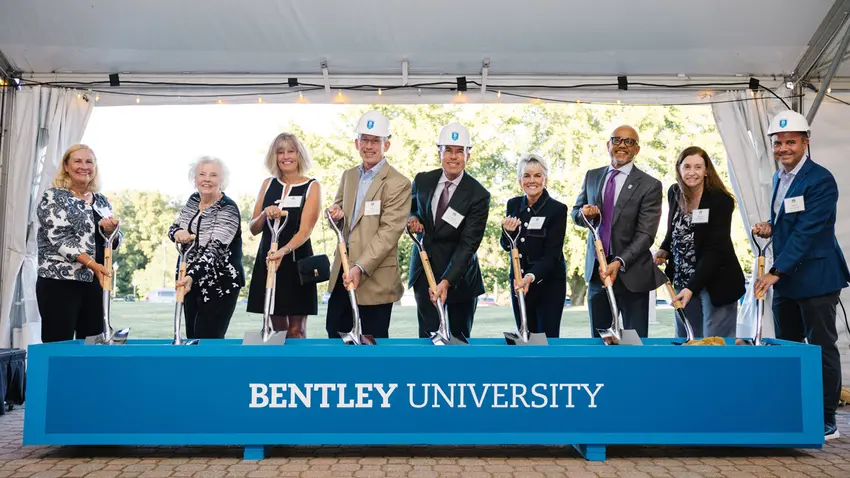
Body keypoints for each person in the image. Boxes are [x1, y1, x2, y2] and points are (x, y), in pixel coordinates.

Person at [752, 110, 850, 441]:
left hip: (817, 278)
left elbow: (809, 231)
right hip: (788, 279)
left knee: (821, 348)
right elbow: (789, 222)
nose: (783, 148)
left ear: (806, 142)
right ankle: (795, 410)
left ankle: (826, 419)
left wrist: (776, 271)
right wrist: (770, 227)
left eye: (790, 142)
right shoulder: (780, 178)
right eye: (778, 143)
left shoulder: (820, 179)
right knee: (788, 347)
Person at [571, 125, 666, 338]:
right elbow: (576, 214)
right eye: (617, 140)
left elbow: (646, 234)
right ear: (608, 145)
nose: (622, 145)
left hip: (632, 275)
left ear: (637, 149)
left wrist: (619, 262)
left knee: (635, 343)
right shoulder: (592, 176)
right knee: (599, 341)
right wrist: (585, 214)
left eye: (629, 142)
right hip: (598, 273)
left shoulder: (650, 185)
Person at [326, 110, 412, 339]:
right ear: (356, 143)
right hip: (342, 277)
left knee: (371, 348)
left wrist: (359, 267)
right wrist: (334, 214)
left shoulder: (399, 183)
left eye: (376, 141)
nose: (369, 146)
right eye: (365, 139)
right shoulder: (348, 176)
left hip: (374, 283)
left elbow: (389, 233)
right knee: (335, 339)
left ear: (387, 145)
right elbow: (338, 212)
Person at [408, 123, 491, 339]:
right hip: (424, 275)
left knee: (457, 343)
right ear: (439, 153)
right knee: (428, 342)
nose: (453, 157)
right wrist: (413, 219)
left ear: (468, 156)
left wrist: (446, 281)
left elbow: (468, 245)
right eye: (448, 150)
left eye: (459, 151)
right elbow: (411, 209)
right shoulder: (422, 180)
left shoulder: (478, 194)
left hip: (459, 280)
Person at [654, 146, 746, 338]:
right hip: (682, 278)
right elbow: (674, 229)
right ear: (679, 168)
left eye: (698, 167)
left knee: (715, 344)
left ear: (706, 171)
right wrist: (664, 249)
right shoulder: (674, 192)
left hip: (717, 281)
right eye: (687, 166)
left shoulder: (721, 200)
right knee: (688, 340)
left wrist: (691, 287)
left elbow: (715, 248)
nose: (692, 172)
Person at [36, 144, 121, 343]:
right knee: (59, 345)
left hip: (94, 284)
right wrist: (93, 265)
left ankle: (88, 376)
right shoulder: (53, 197)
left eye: (89, 161)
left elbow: (114, 239)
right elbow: (59, 238)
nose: (84, 166)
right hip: (59, 283)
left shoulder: (102, 201)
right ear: (66, 166)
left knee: (92, 343)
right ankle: (58, 376)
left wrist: (112, 232)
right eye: (78, 161)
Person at [246, 133, 322, 338]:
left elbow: (306, 230)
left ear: (299, 155)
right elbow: (253, 228)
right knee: (278, 330)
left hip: (297, 260)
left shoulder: (312, 186)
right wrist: (264, 213)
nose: (286, 156)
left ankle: (300, 370)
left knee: (296, 331)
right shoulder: (267, 184)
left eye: (291, 151)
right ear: (274, 156)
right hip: (270, 261)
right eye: (280, 152)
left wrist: (284, 251)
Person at [168, 156, 245, 339]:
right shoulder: (194, 200)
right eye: (202, 174)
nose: (207, 179)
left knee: (208, 339)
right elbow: (175, 227)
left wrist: (190, 276)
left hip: (219, 284)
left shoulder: (228, 209)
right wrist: (177, 233)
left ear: (222, 180)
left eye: (213, 175)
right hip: (190, 282)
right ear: (194, 179)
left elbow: (214, 251)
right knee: (192, 338)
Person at [500, 154, 568, 338]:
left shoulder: (557, 209)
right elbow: (507, 245)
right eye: (527, 175)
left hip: (548, 283)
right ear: (520, 180)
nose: (532, 180)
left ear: (545, 180)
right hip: (518, 281)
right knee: (525, 335)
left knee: (547, 339)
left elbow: (552, 255)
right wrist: (507, 231)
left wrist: (530, 277)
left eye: (538, 175)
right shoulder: (513, 204)